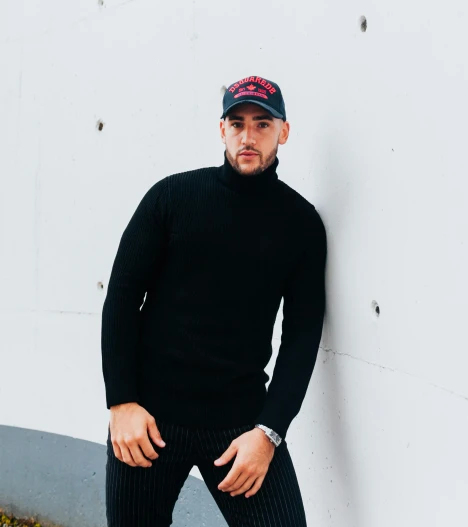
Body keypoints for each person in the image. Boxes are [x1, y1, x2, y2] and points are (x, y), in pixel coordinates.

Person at [101, 75, 328, 526]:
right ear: (221, 129)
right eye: (237, 122)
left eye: (262, 124)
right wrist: (121, 402)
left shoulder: (301, 224)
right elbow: (122, 298)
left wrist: (268, 433)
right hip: (150, 420)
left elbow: (302, 337)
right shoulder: (172, 197)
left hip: (239, 424)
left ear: (283, 132)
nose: (248, 136)